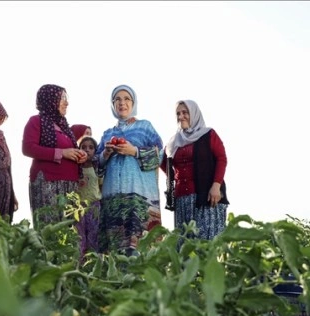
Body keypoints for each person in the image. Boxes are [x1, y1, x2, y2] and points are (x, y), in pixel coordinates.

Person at [96, 85, 163, 255]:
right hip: (113, 200)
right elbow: (96, 166)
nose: (122, 103)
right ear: (112, 104)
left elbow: (160, 155)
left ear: (133, 103)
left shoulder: (145, 127)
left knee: (140, 249)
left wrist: (134, 151)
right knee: (114, 253)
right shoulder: (107, 134)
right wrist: (106, 153)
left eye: (126, 99)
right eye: (117, 99)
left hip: (139, 198)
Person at [22, 84, 86, 229]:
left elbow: (69, 151)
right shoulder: (36, 121)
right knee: (49, 230)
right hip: (48, 183)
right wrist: (62, 153)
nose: (66, 102)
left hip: (70, 185)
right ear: (50, 100)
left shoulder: (64, 127)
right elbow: (28, 148)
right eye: (62, 98)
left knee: (68, 232)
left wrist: (78, 155)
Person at [162, 100, 229, 240]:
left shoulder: (208, 135)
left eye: (185, 112)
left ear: (194, 114)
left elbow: (221, 159)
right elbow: (163, 163)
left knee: (206, 245)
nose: (181, 117)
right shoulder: (174, 142)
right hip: (182, 201)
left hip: (206, 197)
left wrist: (216, 186)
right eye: (178, 114)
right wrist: (175, 178)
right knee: (184, 247)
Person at [72, 125, 102, 257]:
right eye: (83, 147)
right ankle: (79, 265)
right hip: (78, 208)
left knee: (94, 237)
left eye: (91, 148)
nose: (87, 150)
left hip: (94, 206)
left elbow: (101, 185)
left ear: (95, 151)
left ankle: (93, 264)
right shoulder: (74, 168)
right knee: (79, 238)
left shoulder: (96, 167)